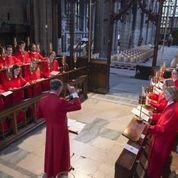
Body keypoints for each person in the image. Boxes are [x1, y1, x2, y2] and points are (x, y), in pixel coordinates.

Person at [36, 79, 81, 178]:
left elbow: (39, 115)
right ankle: (60, 169)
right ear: (60, 88)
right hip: (61, 131)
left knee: (51, 149)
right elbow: (77, 106)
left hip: (50, 129)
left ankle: (50, 169)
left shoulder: (42, 100)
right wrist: (74, 93)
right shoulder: (61, 102)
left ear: (51, 87)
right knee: (61, 150)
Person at [146, 86, 178, 178]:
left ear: (172, 95)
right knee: (154, 161)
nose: (164, 95)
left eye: (166, 93)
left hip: (163, 141)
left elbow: (163, 128)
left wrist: (150, 127)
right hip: (161, 138)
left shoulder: (174, 109)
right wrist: (153, 116)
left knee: (156, 163)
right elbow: (163, 116)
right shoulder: (171, 104)